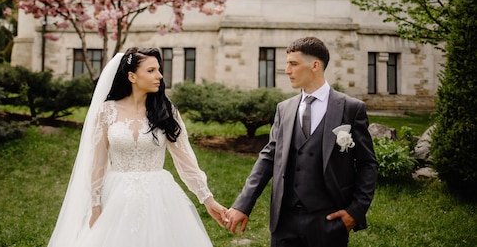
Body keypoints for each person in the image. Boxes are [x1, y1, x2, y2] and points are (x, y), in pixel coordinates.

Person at [47, 47, 227, 247]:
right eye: (151, 71)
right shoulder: (107, 112)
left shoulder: (166, 111)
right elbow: (98, 163)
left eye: (159, 70)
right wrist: (96, 206)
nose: (159, 76)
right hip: (116, 196)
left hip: (158, 196)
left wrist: (208, 200)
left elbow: (186, 161)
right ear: (132, 76)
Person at [225, 36, 378, 247]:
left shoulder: (350, 108)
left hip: (329, 222)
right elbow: (268, 158)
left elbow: (367, 164)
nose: (287, 70)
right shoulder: (284, 109)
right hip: (284, 221)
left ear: (315, 65)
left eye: (293, 64)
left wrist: (356, 211)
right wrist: (243, 205)